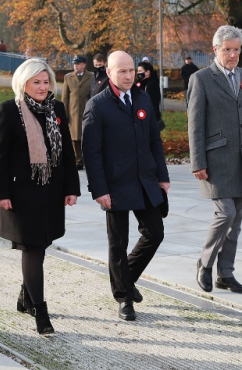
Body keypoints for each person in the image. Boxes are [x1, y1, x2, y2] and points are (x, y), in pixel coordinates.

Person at [0, 58, 80, 334]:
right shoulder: (9, 110)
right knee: (31, 248)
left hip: (51, 192)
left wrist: (71, 187)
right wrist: (0, 194)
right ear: (23, 83)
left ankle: (26, 296)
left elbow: (66, 152)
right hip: (20, 195)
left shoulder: (57, 109)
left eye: (46, 82)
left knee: (39, 247)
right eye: (36, 82)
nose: (42, 87)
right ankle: (41, 312)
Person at [82, 50, 169, 321]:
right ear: (109, 73)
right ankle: (123, 298)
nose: (129, 75)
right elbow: (91, 153)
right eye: (122, 71)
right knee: (118, 243)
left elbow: (155, 140)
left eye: (131, 70)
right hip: (115, 185)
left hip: (146, 180)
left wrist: (163, 176)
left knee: (155, 233)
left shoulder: (143, 98)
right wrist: (99, 190)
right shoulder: (97, 105)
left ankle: (126, 280)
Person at [187, 25, 242, 295]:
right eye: (227, 50)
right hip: (215, 159)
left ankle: (226, 274)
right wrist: (197, 161)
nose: (232, 55)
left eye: (236, 50)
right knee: (226, 214)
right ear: (215, 50)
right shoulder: (202, 79)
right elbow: (194, 124)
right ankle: (205, 263)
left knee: (237, 221)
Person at [61, 55, 94, 170]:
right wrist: (64, 113)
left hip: (87, 111)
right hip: (73, 111)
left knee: (87, 136)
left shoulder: (91, 77)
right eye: (74, 63)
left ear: (84, 65)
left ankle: (87, 160)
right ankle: (78, 161)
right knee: (75, 137)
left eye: (78, 63)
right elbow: (65, 97)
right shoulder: (68, 77)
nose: (75, 65)